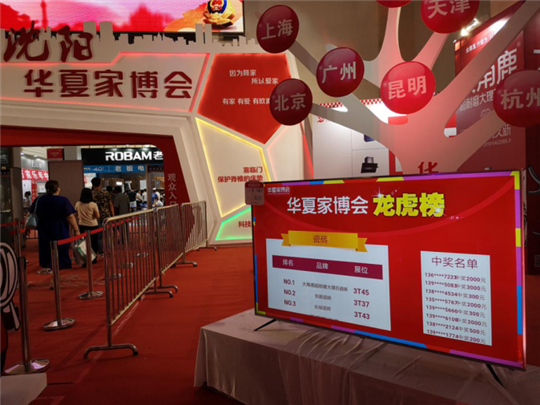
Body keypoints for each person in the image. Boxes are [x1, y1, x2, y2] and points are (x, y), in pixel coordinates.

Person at [28, 180, 79, 274]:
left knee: (45, 248)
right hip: (60, 229)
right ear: (57, 188)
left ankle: (47, 266)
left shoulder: (39, 199)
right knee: (61, 249)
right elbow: (70, 216)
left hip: (44, 229)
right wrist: (76, 230)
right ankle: (60, 267)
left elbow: (31, 213)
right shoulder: (63, 200)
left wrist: (27, 227)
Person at [74, 188, 99, 265]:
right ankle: (93, 259)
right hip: (93, 225)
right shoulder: (93, 204)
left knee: (83, 243)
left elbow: (75, 213)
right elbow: (97, 216)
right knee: (93, 243)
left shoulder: (78, 203)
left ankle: (85, 259)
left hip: (82, 225)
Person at [91, 177, 114, 254]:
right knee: (108, 234)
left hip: (96, 216)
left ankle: (100, 251)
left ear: (93, 184)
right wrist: (113, 215)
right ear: (100, 184)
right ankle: (110, 250)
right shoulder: (106, 193)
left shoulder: (91, 194)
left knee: (99, 236)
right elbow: (110, 204)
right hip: (106, 215)